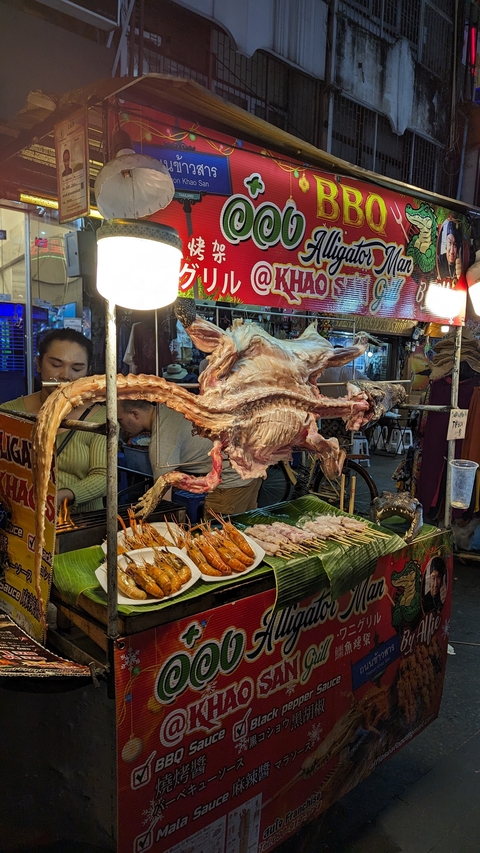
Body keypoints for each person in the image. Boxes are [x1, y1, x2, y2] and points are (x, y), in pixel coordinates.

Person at [0, 328, 107, 513]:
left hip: (82, 521)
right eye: (56, 364)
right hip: (23, 518)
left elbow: (104, 475)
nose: (65, 375)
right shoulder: (9, 412)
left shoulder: (101, 419)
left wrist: (60, 496)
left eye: (77, 368)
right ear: (38, 364)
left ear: (87, 373)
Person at [117, 400, 262, 515]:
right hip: (250, 469)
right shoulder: (170, 406)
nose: (120, 427)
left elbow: (163, 497)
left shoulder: (162, 440)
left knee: (221, 535)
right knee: (244, 526)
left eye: (120, 420)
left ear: (135, 415)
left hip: (231, 483)